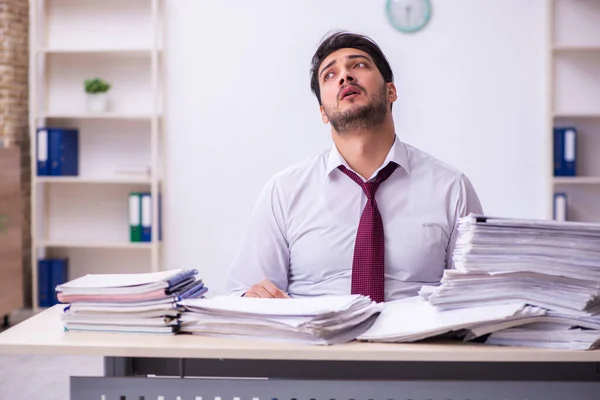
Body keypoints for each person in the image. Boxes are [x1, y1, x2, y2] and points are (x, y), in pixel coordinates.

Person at [225, 30, 483, 301]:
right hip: (316, 339)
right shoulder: (284, 191)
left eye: (358, 65)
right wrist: (251, 299)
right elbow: (242, 292)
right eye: (330, 75)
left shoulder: (452, 188)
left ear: (390, 91)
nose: (345, 77)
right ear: (323, 112)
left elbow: (480, 298)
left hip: (417, 340)